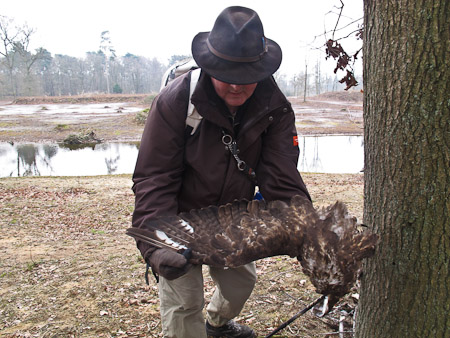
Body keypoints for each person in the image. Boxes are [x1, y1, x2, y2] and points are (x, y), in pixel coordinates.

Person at [132, 6, 312, 338]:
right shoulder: (175, 102)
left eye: (245, 78)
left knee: (241, 282)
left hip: (231, 215)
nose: (235, 87)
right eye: (225, 75)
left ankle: (216, 325)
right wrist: (158, 242)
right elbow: (154, 178)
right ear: (209, 65)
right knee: (184, 301)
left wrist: (306, 228)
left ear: (260, 70)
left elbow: (281, 176)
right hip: (179, 216)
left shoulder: (275, 107)